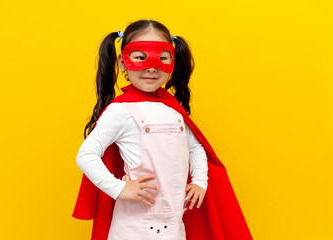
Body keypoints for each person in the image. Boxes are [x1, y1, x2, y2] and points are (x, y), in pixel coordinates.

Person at [73, 19, 253, 240]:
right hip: (134, 227)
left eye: (162, 58)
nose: (151, 66)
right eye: (140, 57)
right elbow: (86, 154)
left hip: (174, 222)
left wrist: (199, 181)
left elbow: (195, 147)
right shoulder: (120, 111)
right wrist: (119, 189)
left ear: (172, 60)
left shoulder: (173, 109)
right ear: (122, 62)